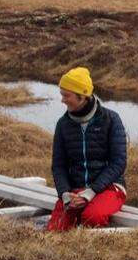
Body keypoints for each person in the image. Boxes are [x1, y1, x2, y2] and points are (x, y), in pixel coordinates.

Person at [47, 66, 128, 230]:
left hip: (109, 188)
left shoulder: (111, 120)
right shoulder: (63, 125)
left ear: (82, 96)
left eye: (66, 95)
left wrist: (91, 192)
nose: (62, 100)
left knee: (92, 217)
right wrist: (65, 194)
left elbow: (118, 163)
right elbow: (58, 166)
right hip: (75, 191)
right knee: (55, 229)